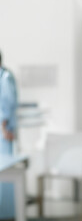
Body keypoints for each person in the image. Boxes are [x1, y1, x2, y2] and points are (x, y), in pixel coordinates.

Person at [0, 50, 18, 220]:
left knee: (4, 172)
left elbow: (6, 103)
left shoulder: (5, 77)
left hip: (3, 132)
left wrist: (4, 127)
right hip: (3, 130)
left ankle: (6, 214)